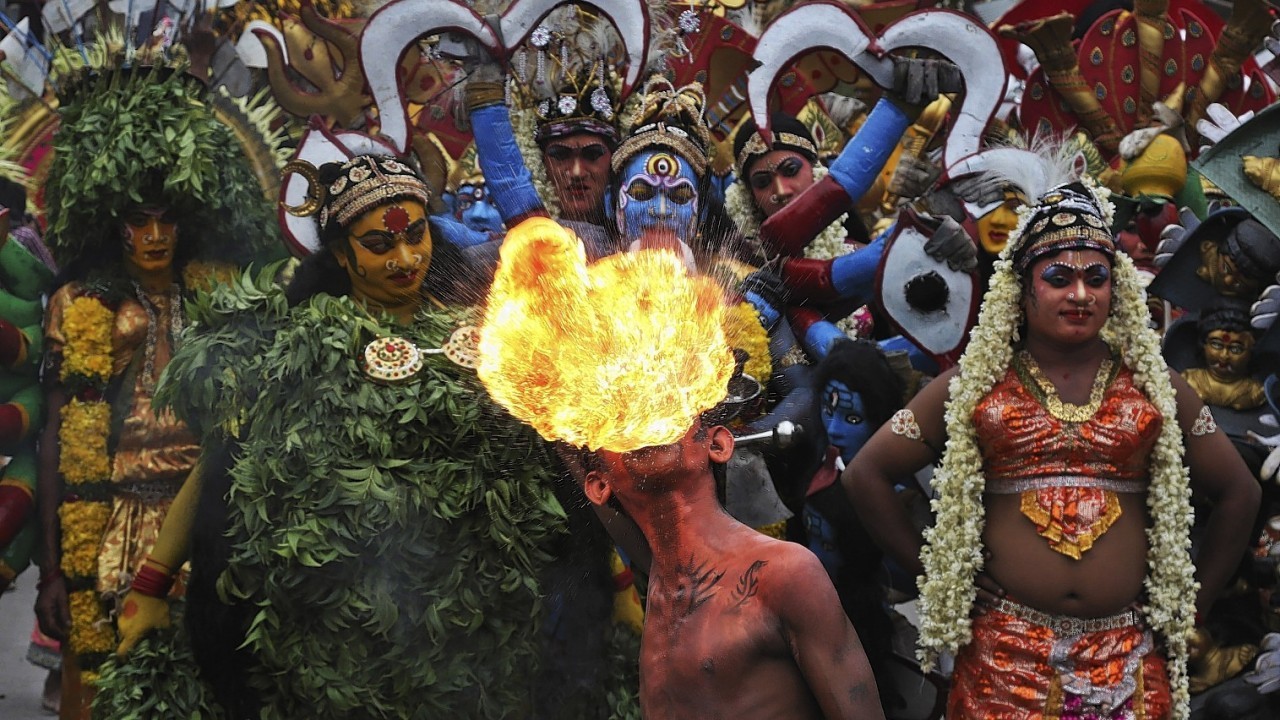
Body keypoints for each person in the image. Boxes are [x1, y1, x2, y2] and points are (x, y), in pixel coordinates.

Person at [114, 152, 568, 719]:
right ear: (340, 254)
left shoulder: (486, 340)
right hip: (333, 638)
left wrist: (618, 585)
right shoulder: (297, 348)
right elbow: (220, 466)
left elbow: (544, 466)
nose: (406, 259)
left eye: (416, 237)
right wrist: (150, 584)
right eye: (379, 245)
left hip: (468, 635)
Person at [845, 175, 1260, 718]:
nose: (1081, 295)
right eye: (1059, 278)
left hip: (1128, 661)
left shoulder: (1155, 385)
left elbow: (1239, 493)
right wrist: (946, 577)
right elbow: (866, 474)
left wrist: (1189, 608)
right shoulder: (975, 382)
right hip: (1003, 657)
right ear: (1023, 288)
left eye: (1097, 278)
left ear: (1117, 289)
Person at [32, 57, 280, 718]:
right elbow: (57, 436)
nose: (153, 236)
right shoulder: (82, 303)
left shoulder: (222, 293)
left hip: (205, 523)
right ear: (111, 223)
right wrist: (54, 569)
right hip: (113, 520)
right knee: (113, 694)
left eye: (166, 220)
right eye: (137, 222)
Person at [581, 417, 885, 719]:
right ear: (599, 486)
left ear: (718, 445)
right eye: (620, 420)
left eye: (672, 410)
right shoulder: (662, 586)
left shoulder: (784, 572)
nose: (647, 423)